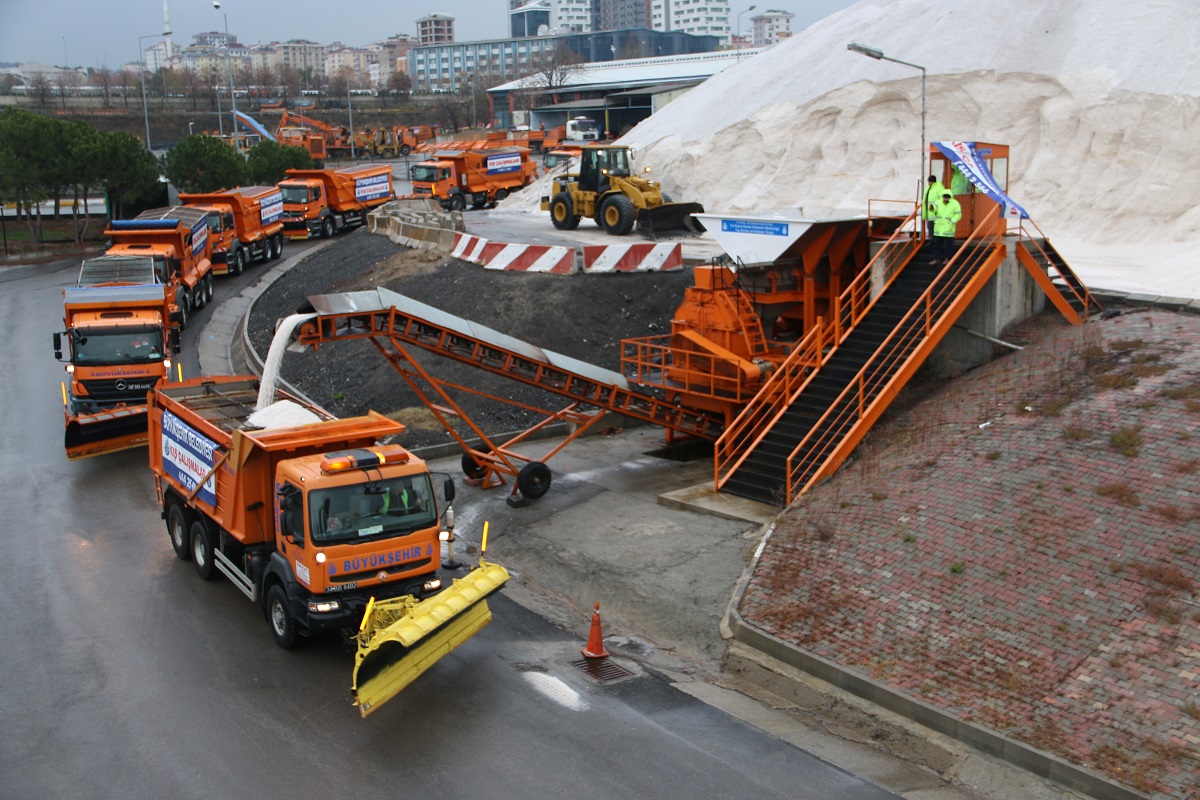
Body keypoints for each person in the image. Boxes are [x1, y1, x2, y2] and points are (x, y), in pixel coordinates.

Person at [931, 191, 962, 264]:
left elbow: (958, 214)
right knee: (937, 245)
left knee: (949, 246)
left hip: (949, 229)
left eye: (947, 197)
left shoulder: (955, 203)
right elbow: (933, 209)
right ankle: (936, 258)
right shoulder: (938, 202)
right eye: (945, 197)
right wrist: (931, 208)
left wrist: (951, 222)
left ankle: (948, 258)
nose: (946, 198)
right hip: (938, 228)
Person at [924, 174, 945, 242]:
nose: (929, 183)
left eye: (929, 182)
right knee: (930, 227)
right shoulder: (929, 188)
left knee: (936, 227)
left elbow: (942, 200)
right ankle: (931, 240)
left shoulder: (939, 188)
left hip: (936, 212)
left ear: (932, 181)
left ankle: (937, 241)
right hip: (930, 211)